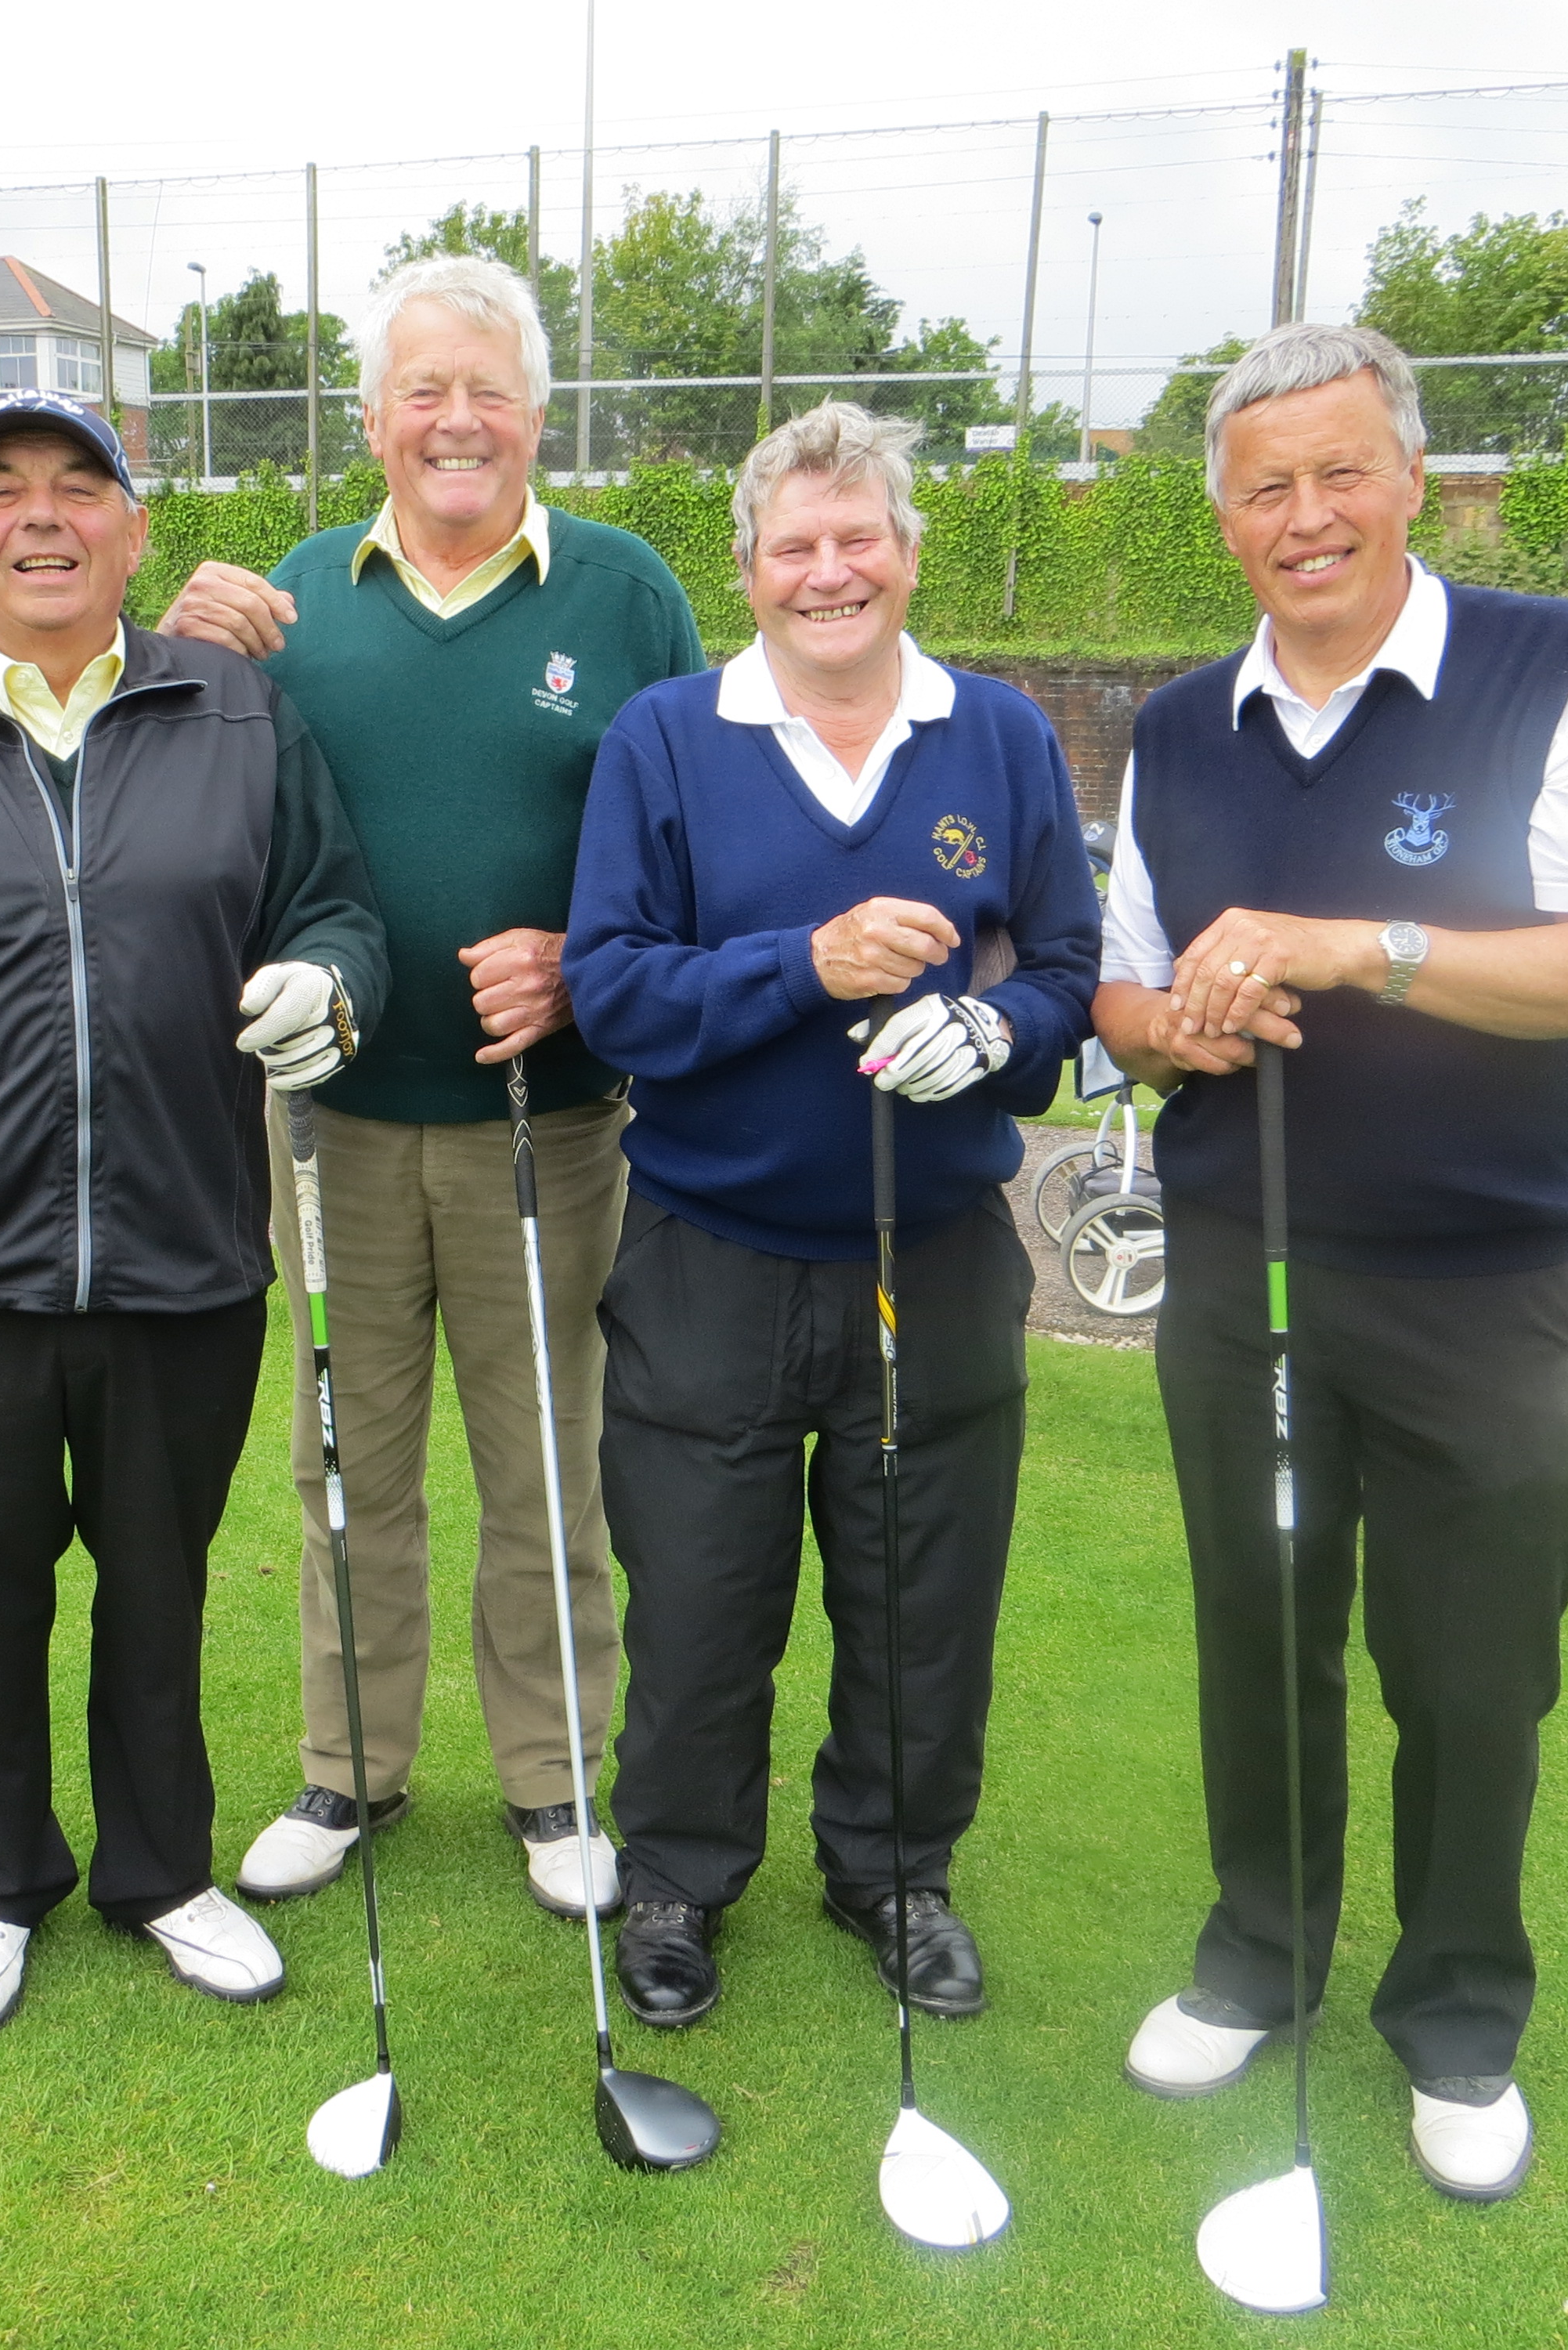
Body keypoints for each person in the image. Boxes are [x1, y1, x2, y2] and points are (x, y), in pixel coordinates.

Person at [1091, 323, 1568, 2200]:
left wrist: (1362, 949)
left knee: (1470, 1664)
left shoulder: (1551, 664)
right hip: (1240, 1266)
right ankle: (1258, 1954)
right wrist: (1167, 1030)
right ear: (1219, 516)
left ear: (1412, 476)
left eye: (1340, 472)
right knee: (1258, 1635)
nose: (1305, 515)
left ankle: (1451, 2014)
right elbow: (1118, 988)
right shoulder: (1182, 725)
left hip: (1479, 1283)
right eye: (1264, 486)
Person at [0, 389, 391, 2042]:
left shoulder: (237, 715)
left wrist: (329, 975)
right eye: (1, 494)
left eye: (76, 490)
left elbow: (331, 904)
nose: (41, 520)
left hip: (182, 1256)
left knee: (156, 1588)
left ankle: (159, 1873)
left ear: (132, 528)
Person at [159, 254, 706, 1918]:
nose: (453, 421)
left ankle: (551, 1788)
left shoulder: (624, 594)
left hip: (546, 1128)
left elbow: (696, 847)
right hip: (321, 1125)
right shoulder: (285, 600)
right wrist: (171, 653)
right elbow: (183, 822)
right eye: (421, 391)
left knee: (545, 1462)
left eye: (485, 390)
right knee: (345, 1458)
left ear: (535, 415)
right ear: (373, 420)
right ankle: (349, 1771)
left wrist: (585, 959)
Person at [561, 402, 1100, 2027]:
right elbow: (608, 991)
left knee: (919, 1595)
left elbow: (1067, 970)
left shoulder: (995, 735)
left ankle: (889, 1871)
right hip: (706, 1249)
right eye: (792, 544)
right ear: (747, 569)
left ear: (907, 551)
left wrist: (994, 1035)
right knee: (700, 1597)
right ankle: (675, 1880)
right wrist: (803, 965)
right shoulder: (665, 736)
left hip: (928, 1255)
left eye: (855, 536)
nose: (827, 571)